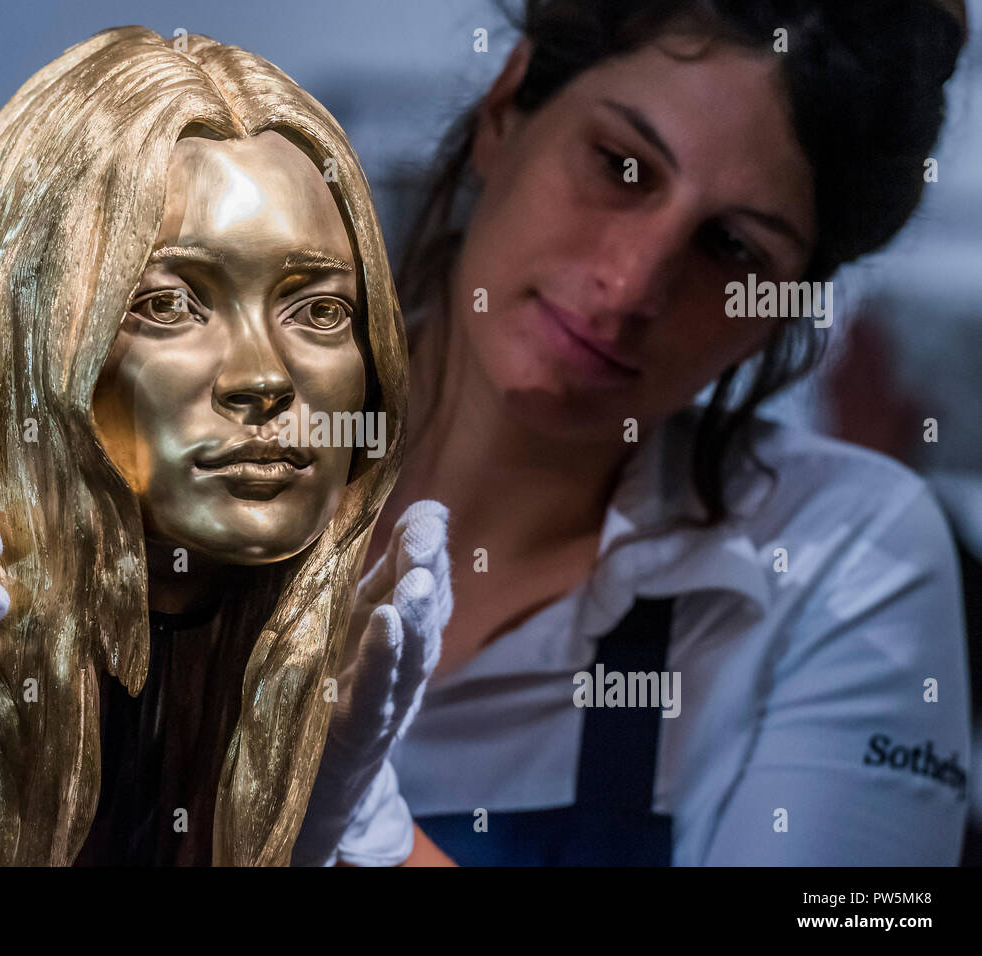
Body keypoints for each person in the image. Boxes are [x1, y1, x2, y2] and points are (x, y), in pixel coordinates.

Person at [0, 27, 448, 868]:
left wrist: (331, 829)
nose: (262, 378)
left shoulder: (325, 693)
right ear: (33, 342)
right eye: (170, 305)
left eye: (318, 309)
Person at [348, 0, 969, 865]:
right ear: (507, 105)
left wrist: (353, 822)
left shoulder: (844, 560)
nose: (630, 284)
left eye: (731, 247)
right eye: (623, 167)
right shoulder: (206, 452)